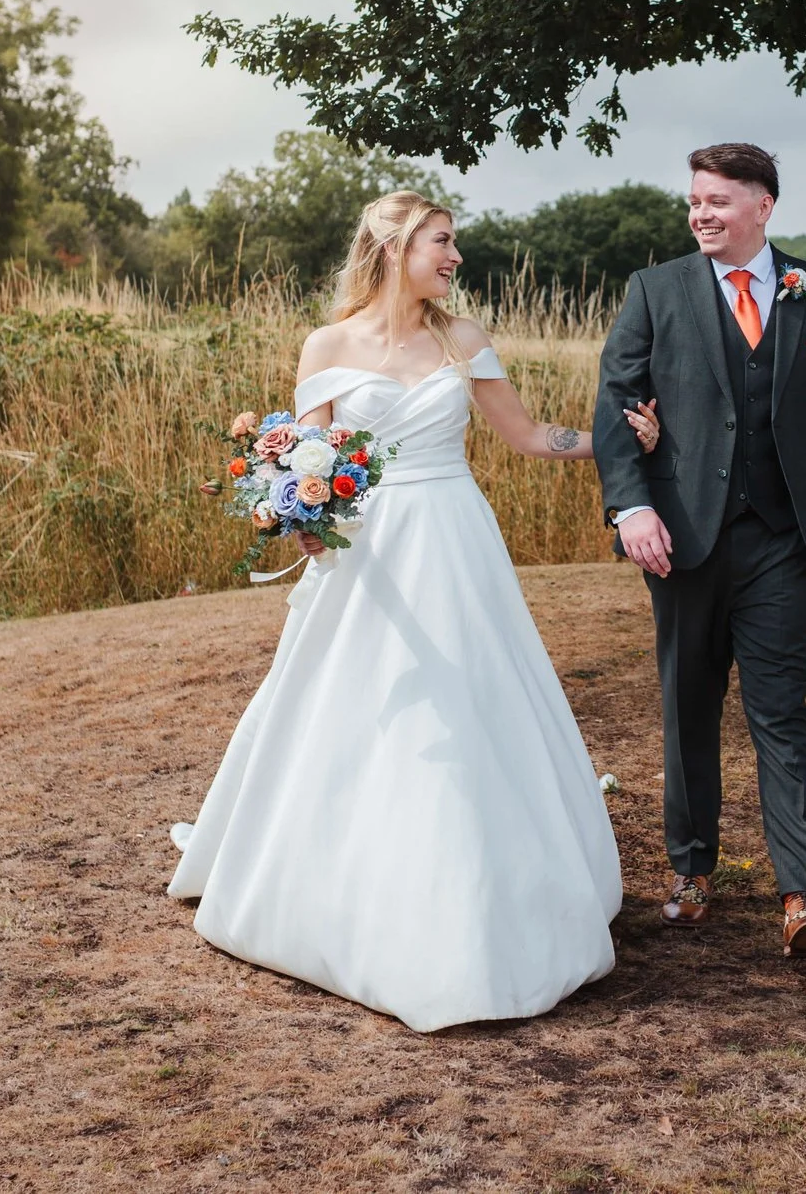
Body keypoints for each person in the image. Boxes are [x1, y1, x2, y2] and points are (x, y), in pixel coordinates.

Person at [167, 191, 658, 1032]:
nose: (455, 256)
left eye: (454, 242)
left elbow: (532, 436)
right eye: (442, 241)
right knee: (352, 703)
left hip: (452, 540)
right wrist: (301, 518)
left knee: (464, 706)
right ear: (395, 246)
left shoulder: (463, 342)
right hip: (368, 552)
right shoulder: (328, 344)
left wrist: (622, 439)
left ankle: (473, 888)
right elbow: (308, 458)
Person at [592, 143, 806, 957]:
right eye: (694, 201)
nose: (701, 214)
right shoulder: (657, 289)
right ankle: (690, 869)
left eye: (718, 200)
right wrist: (631, 505)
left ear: (763, 205)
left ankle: (801, 894)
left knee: (781, 712)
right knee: (687, 705)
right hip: (681, 540)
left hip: (786, 542)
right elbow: (617, 404)